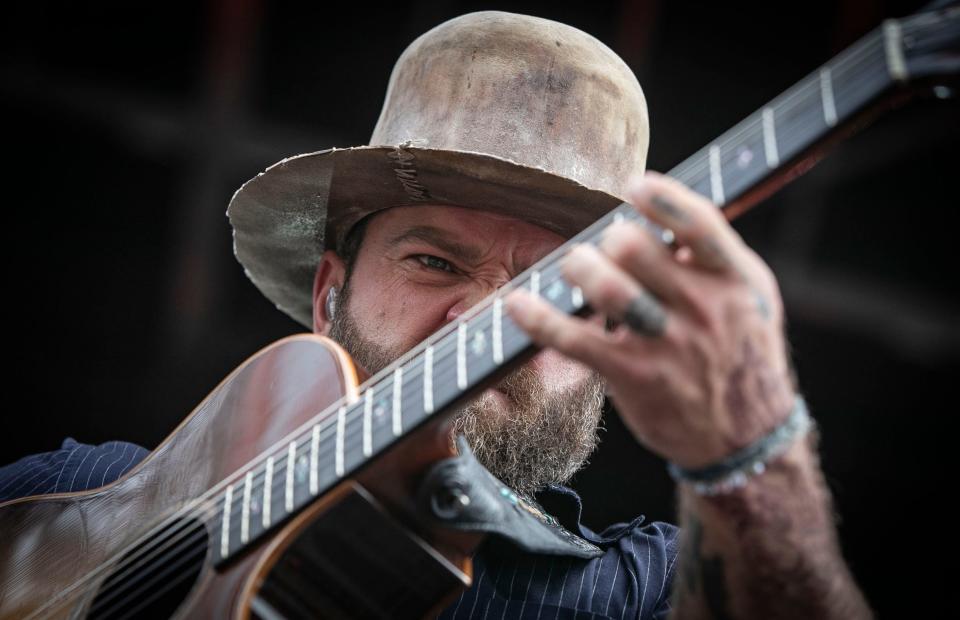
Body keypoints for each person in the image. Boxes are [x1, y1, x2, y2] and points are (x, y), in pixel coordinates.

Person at [0, 11, 872, 619]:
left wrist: (758, 456)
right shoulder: (67, 500)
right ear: (327, 292)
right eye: (434, 262)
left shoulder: (648, 592)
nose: (480, 322)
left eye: (554, 292)